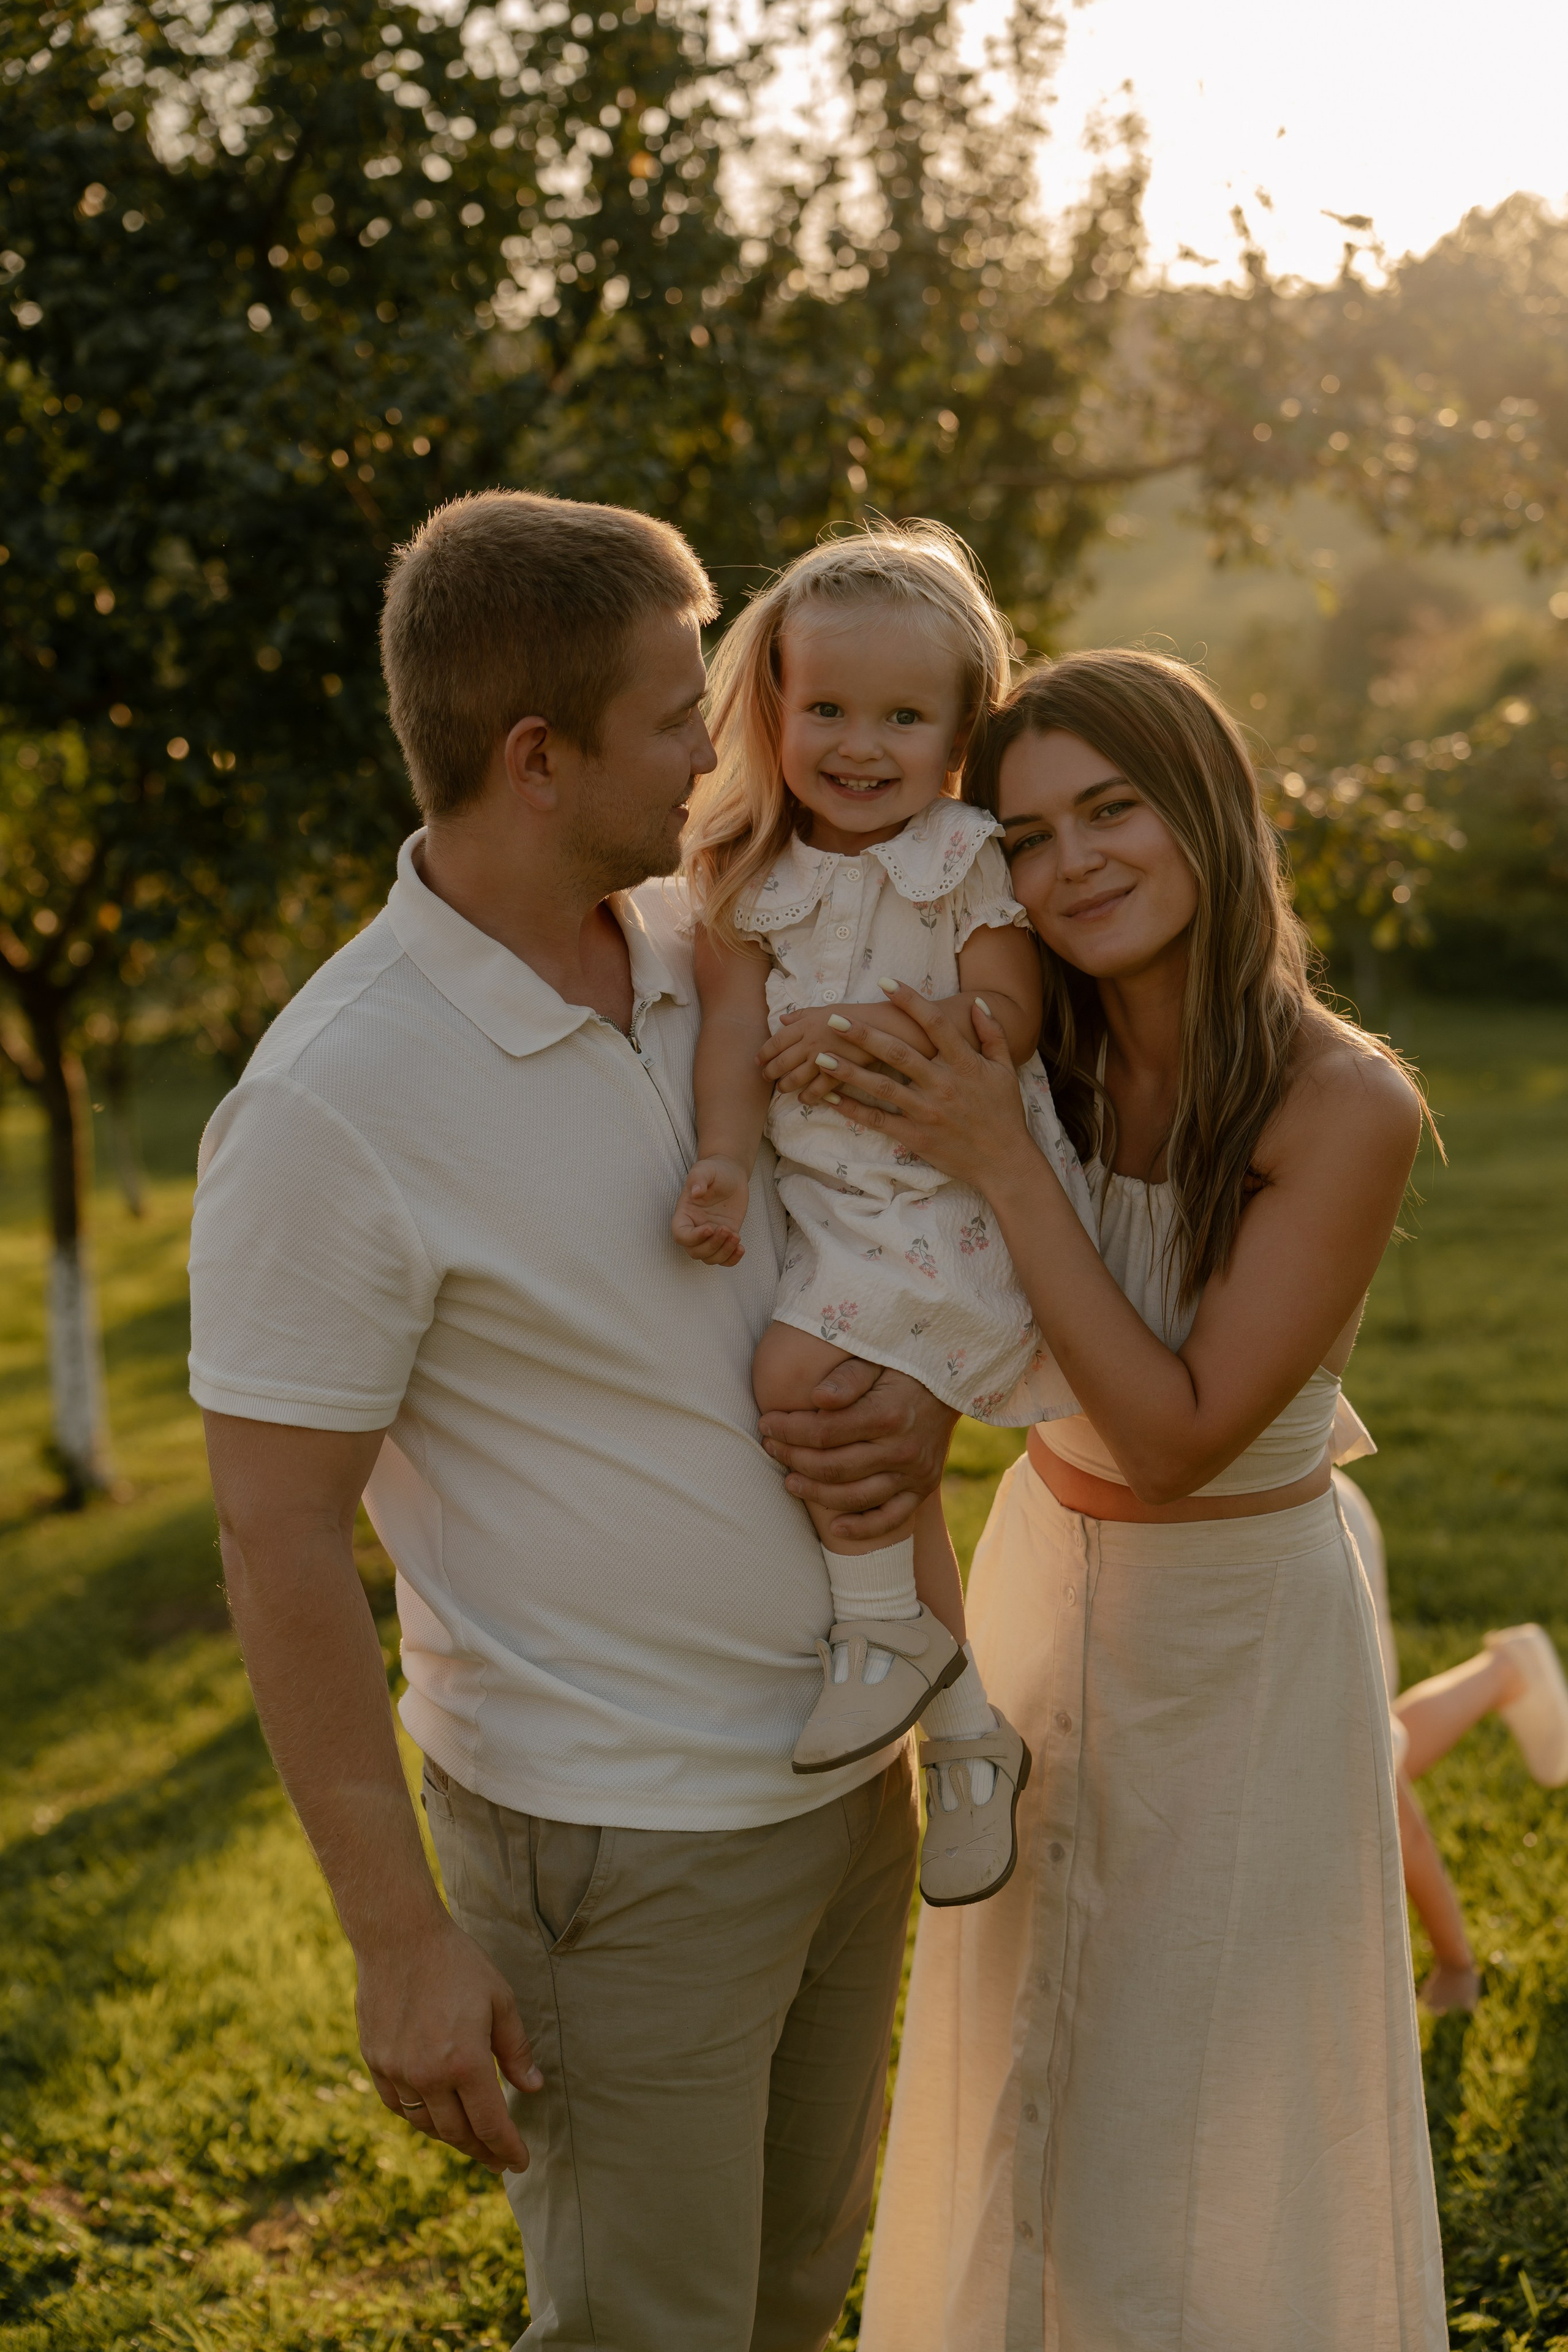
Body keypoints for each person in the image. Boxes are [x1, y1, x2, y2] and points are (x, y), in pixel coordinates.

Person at [187, 489, 963, 2352]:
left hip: (845, 1778)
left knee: (784, 2301)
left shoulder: (711, 939)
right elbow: (276, 1536)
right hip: (619, 1838)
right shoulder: (332, 1100)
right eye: (682, 713)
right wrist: (398, 1938)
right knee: (645, 2327)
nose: (729, 745)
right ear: (537, 758)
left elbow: (867, 1233)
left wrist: (919, 1400)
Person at [829, 648, 1449, 2348]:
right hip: (1040, 1584)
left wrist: (999, 1158)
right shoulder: (1028, 1057)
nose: (1073, 864)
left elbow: (1175, 1432)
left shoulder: (1345, 1104)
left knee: (1213, 2104)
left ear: (1218, 811)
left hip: (1240, 1641)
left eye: (1113, 810)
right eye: (1024, 836)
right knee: (1032, 2060)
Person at [673, 524, 1097, 1905]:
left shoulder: (963, 860)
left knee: (801, 1386)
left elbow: (1007, 1017)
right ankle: (962, 1731)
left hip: (951, 1195)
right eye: (828, 710)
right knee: (855, 1433)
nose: (861, 745)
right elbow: (728, 1039)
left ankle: (882, 1637)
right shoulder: (750, 875)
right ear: (773, 709)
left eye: (903, 717)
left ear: (960, 729)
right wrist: (727, 1165)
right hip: (839, 1216)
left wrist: (862, 1027)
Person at [1336, 1466, 1568, 2014]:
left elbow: (1378, 1783)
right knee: (1344, 1762)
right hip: (1242, 1523)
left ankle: (1456, 1958)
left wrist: (1455, 1964)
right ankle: (1505, 1674)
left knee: (1357, 1772)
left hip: (1290, 1530)